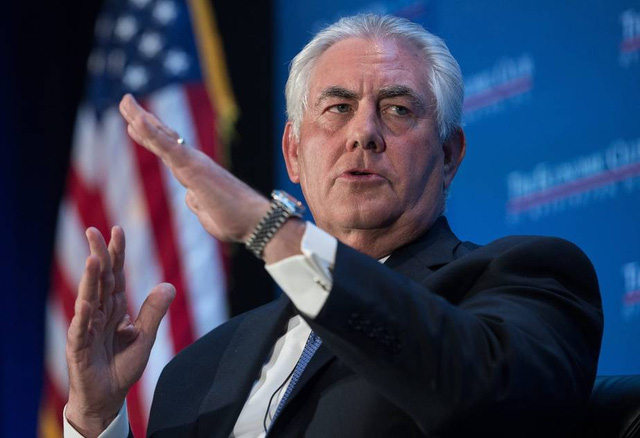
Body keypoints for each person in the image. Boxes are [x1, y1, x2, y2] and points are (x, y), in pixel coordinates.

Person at [63, 14, 603, 437]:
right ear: (293, 153)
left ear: (448, 155)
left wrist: (269, 228)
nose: (363, 133)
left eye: (397, 109)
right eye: (338, 107)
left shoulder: (523, 277)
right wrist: (95, 418)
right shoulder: (196, 371)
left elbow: (498, 408)